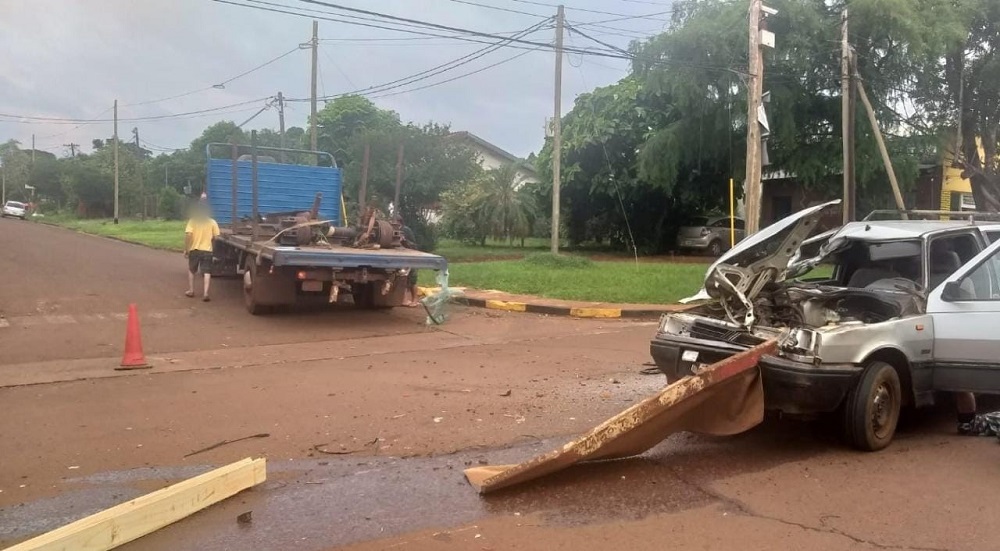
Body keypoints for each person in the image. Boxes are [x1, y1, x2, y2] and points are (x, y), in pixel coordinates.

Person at [184, 202, 220, 302]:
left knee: (192, 270)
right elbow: (217, 237)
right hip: (207, 250)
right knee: (207, 272)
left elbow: (188, 235)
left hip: (194, 249)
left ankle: (191, 290)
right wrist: (211, 243)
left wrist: (186, 249)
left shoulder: (192, 221)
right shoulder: (212, 222)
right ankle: (205, 293)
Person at [396, 215, 421, 307]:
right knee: (403, 279)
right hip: (402, 258)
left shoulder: (406, 230)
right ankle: (404, 300)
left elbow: (413, 244)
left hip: (411, 257)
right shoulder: (394, 230)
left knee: (412, 280)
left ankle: (415, 300)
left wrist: (404, 240)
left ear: (399, 222)